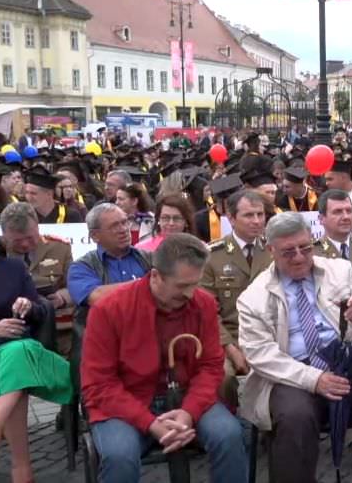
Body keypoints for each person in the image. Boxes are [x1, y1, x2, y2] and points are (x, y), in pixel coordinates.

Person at [237, 212, 352, 483]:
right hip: (292, 373)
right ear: (271, 249)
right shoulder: (254, 297)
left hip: (348, 361)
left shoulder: (339, 270)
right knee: (295, 420)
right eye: (288, 252)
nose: (299, 257)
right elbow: (260, 355)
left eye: (305, 248)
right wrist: (315, 379)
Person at [80, 234, 248, 483]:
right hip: (125, 401)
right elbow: (99, 384)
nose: (191, 294)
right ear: (156, 276)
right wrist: (150, 423)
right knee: (119, 456)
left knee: (230, 436)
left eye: (196, 283)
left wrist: (188, 412)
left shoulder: (203, 303)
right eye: (182, 286)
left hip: (188, 397)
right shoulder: (109, 310)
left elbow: (211, 367)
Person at [0, 230, 71, 482]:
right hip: (6, 355)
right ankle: (21, 470)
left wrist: (27, 305)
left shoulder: (12, 268)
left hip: (19, 349)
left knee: (17, 355)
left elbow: (39, 309)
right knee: (16, 370)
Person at [199, 190, 272, 405]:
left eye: (260, 215)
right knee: (224, 377)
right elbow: (208, 311)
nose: (257, 221)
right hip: (229, 336)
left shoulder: (274, 251)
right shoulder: (213, 256)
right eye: (249, 215)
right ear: (231, 218)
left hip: (270, 335)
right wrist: (230, 348)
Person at [0, 203, 75, 355]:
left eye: (30, 238)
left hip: (57, 326)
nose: (25, 244)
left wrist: (62, 297)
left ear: (37, 227)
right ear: (4, 235)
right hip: (9, 327)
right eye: (17, 241)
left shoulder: (60, 247)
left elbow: (74, 285)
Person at [67, 203, 152, 316]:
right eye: (114, 226)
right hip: (103, 331)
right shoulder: (81, 267)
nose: (124, 229)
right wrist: (145, 285)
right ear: (95, 235)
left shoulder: (149, 258)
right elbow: (97, 297)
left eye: (125, 222)